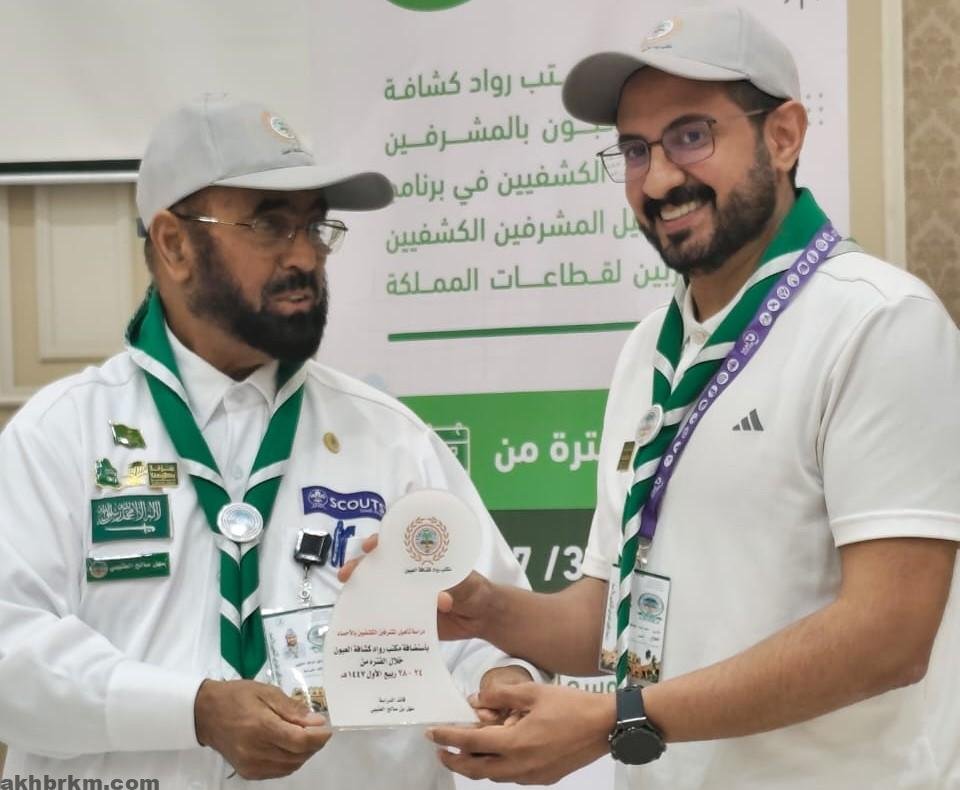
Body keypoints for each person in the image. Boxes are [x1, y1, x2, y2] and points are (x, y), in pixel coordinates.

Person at [401, 7, 960, 789]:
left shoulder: (879, 323)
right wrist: (487, 609)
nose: (659, 179)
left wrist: (621, 718)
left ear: (784, 136)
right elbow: (610, 615)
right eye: (636, 150)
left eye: (691, 136)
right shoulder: (650, 350)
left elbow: (889, 636)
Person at [0, 94, 535, 789]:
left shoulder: (390, 438)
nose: (305, 256)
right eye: (270, 224)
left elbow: (487, 626)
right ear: (174, 244)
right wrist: (192, 711)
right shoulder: (59, 435)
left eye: (315, 227)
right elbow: (10, 652)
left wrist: (501, 677)